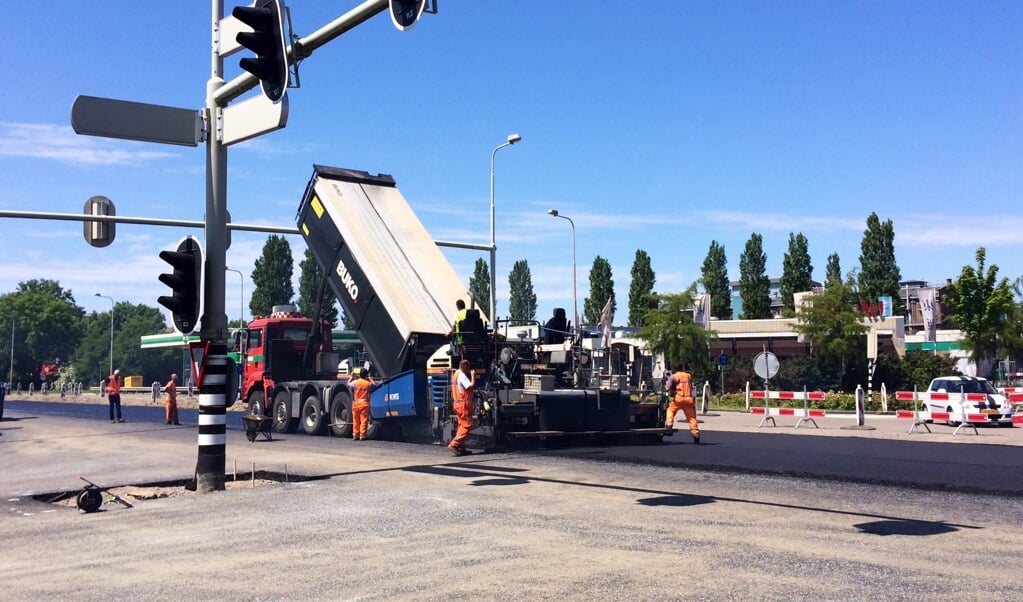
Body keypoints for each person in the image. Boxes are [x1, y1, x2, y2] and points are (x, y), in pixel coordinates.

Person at [665, 362, 699, 443]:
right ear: (682, 368)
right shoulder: (688, 376)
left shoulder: (674, 376)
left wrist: (669, 389)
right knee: (691, 418)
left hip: (678, 399)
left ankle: (669, 424)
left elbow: (668, 387)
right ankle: (695, 433)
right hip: (689, 399)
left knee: (670, 410)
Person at [448, 359, 475, 457]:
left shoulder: (455, 374)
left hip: (458, 404)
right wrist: (473, 376)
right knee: (467, 425)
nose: (469, 370)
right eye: (468, 368)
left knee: (461, 425)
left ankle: (460, 447)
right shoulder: (462, 376)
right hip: (464, 406)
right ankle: (454, 444)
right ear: (464, 366)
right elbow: (470, 386)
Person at [350, 368, 374, 441]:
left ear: (359, 374)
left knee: (355, 420)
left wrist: (351, 377)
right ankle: (362, 435)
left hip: (356, 403)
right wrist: (370, 379)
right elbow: (373, 385)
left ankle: (355, 435)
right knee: (363, 420)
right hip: (364, 403)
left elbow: (348, 385)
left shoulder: (355, 382)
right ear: (366, 375)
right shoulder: (367, 384)